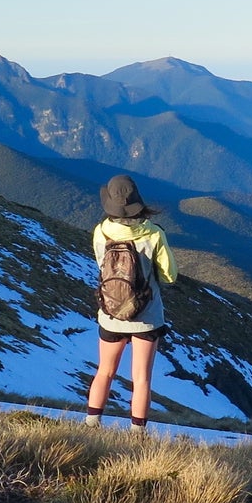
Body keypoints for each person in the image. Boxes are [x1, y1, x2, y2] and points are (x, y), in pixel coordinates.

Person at [84, 174, 176, 430]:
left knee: (105, 371)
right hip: (146, 315)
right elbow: (170, 275)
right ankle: (136, 433)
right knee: (141, 378)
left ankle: (92, 423)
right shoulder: (154, 234)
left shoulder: (101, 231)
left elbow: (102, 265)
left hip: (111, 311)